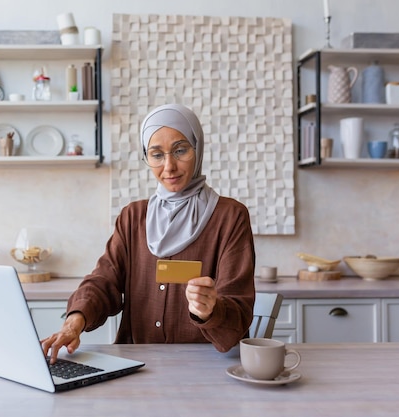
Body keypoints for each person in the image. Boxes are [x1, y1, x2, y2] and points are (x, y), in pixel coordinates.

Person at [42, 104, 255, 364]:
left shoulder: (230, 217)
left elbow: (239, 311)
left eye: (180, 150)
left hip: (205, 368)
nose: (169, 166)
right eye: (156, 154)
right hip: (136, 366)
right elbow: (104, 280)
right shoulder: (133, 217)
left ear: (197, 149)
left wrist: (212, 309)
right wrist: (74, 322)